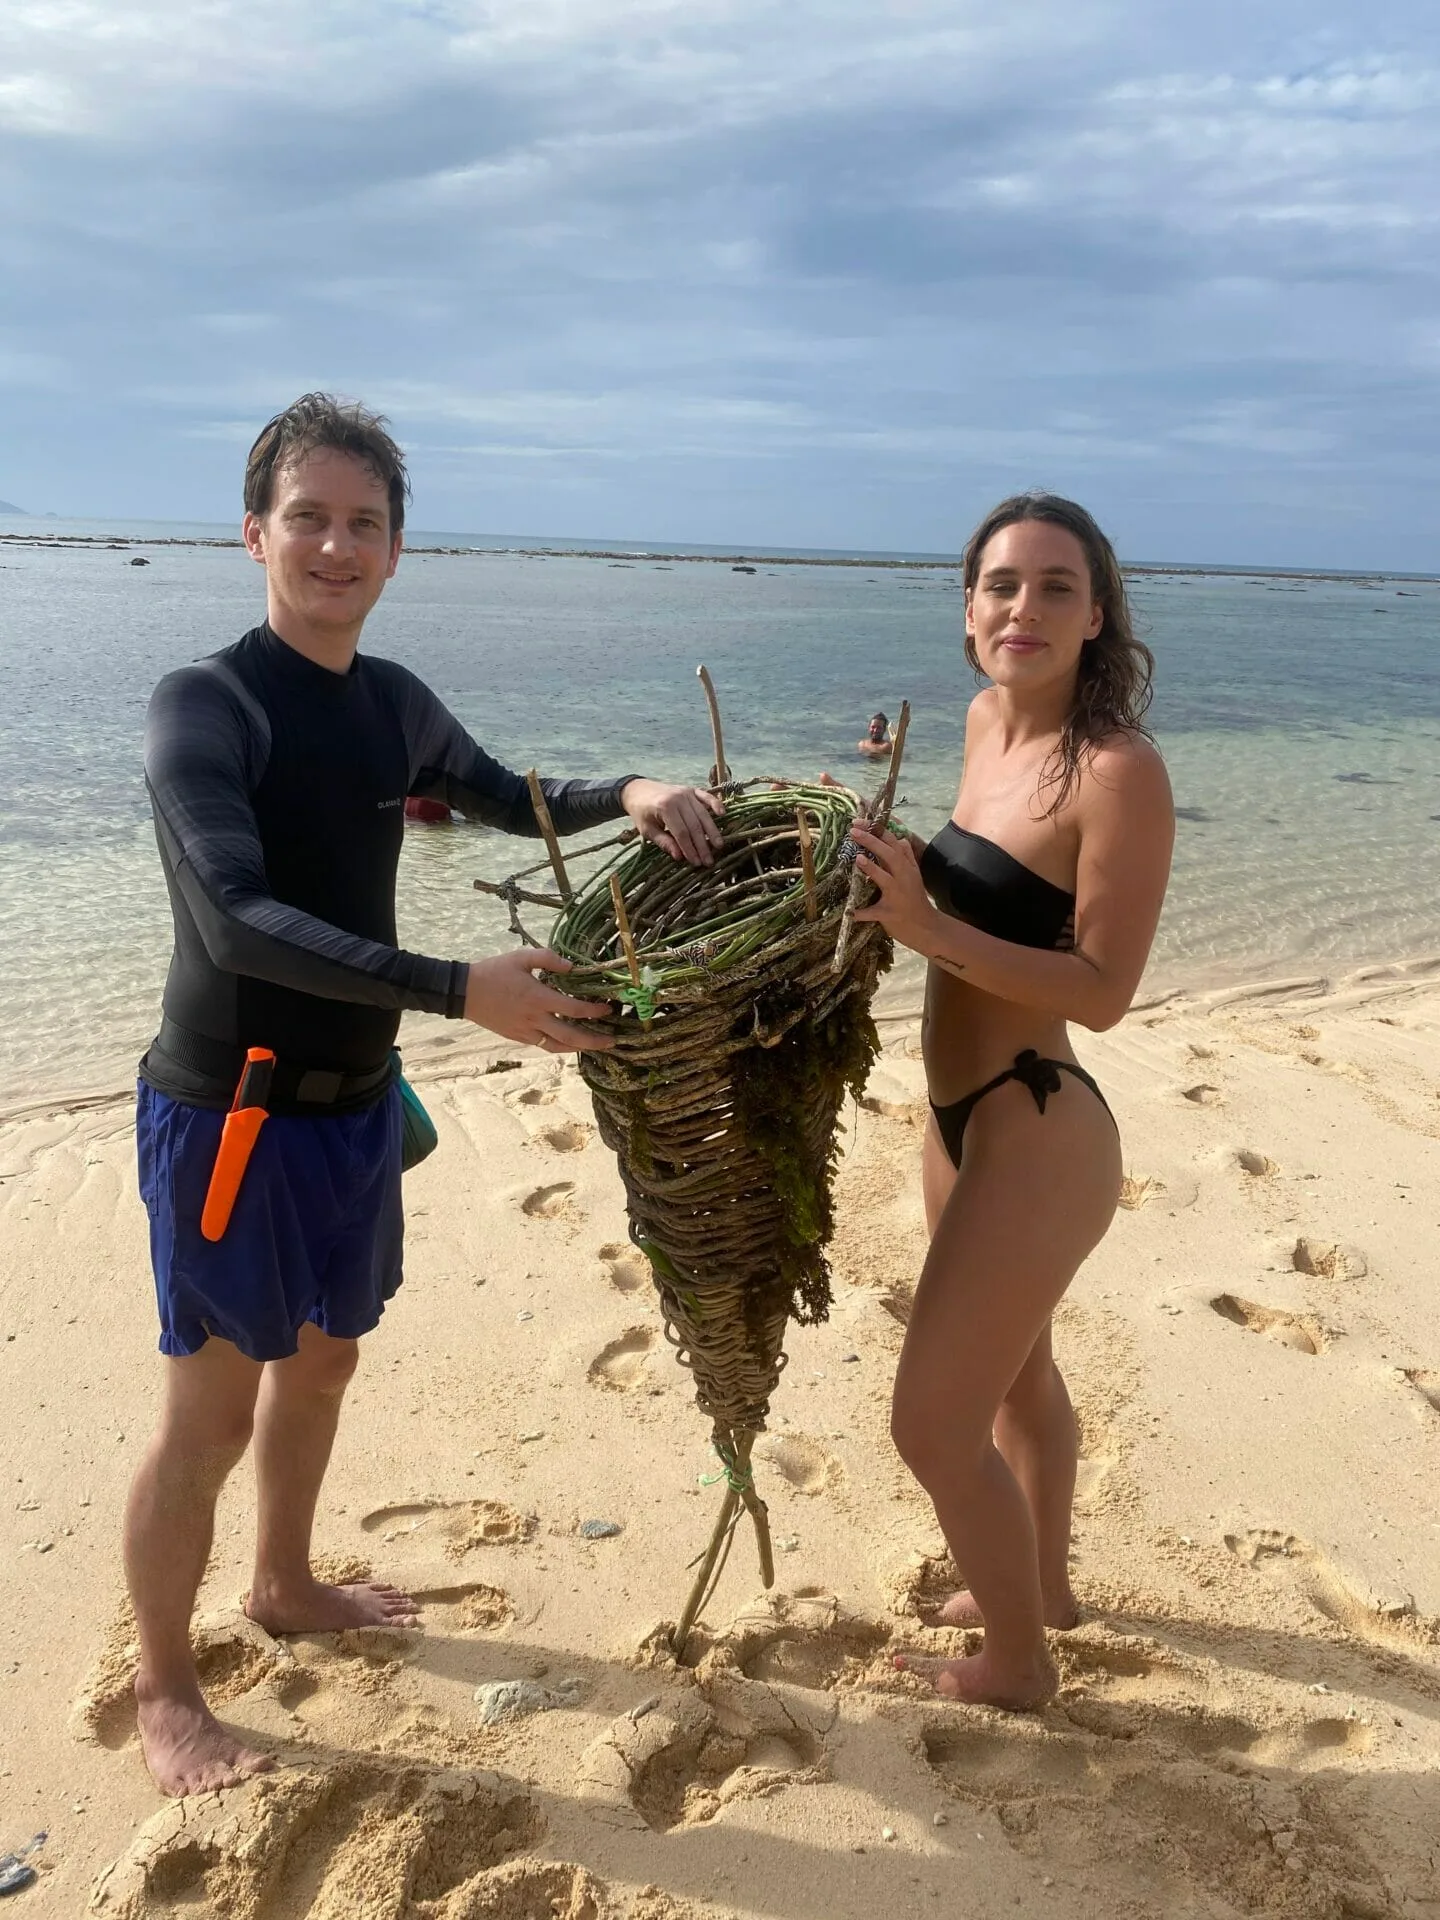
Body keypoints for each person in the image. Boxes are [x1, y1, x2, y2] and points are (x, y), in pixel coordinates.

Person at [125, 392, 725, 1796]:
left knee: (326, 1361)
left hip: (353, 1109)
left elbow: (512, 792)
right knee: (207, 1416)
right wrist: (463, 989)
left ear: (397, 550)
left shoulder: (391, 704)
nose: (337, 546)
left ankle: (282, 1580)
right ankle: (165, 1683)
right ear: (254, 534)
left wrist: (629, 789)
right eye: (310, 518)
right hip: (233, 1113)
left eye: (366, 524)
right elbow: (235, 918)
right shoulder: (205, 706)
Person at [849, 492, 1173, 1710]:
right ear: (967, 606)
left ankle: (1020, 1664)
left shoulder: (1120, 772)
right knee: (1021, 1381)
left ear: (1098, 616)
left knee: (934, 1427)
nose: (1022, 607)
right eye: (1000, 583)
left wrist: (926, 924)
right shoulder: (985, 723)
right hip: (957, 1119)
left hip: (1042, 1125)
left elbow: (1104, 992)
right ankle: (1043, 1582)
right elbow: (973, 891)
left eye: (1053, 587)